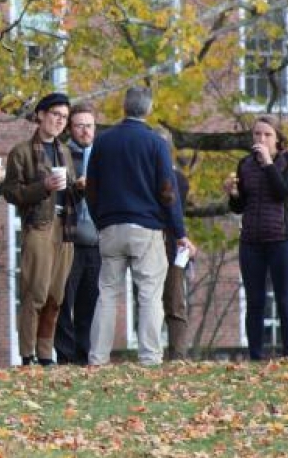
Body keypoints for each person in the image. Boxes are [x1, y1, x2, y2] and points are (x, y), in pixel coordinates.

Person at [86, 86, 196, 366]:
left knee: (107, 294)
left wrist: (101, 221)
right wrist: (179, 233)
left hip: (110, 226)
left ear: (124, 106)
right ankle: (149, 356)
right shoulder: (155, 143)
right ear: (148, 108)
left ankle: (97, 358)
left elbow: (92, 188)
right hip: (145, 228)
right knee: (149, 294)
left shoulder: (102, 141)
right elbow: (167, 191)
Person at [1, 92, 78, 366]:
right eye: (55, 115)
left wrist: (78, 187)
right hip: (39, 226)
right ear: (41, 115)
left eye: (64, 117)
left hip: (64, 227)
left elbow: (68, 189)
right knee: (35, 292)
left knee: (56, 295)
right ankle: (27, 354)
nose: (60, 121)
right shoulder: (21, 152)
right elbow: (10, 192)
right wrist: (42, 187)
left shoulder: (65, 151)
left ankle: (46, 354)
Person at [224, 116, 288, 360]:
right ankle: (255, 357)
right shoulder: (245, 164)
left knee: (284, 300)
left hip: (282, 239)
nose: (261, 139)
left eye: (267, 135)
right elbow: (239, 206)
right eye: (257, 134)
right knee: (254, 301)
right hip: (251, 242)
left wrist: (268, 163)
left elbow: (283, 192)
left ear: (277, 139)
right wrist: (233, 194)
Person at [53, 103, 99, 366]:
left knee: (90, 304)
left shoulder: (103, 156)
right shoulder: (62, 155)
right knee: (62, 301)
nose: (84, 131)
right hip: (68, 238)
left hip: (97, 241)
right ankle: (65, 356)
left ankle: (84, 357)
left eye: (89, 126)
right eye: (79, 125)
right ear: (71, 128)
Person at [155, 127, 192, 361]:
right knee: (151, 302)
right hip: (148, 243)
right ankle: (152, 354)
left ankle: (177, 355)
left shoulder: (178, 179)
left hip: (171, 246)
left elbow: (175, 213)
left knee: (175, 301)